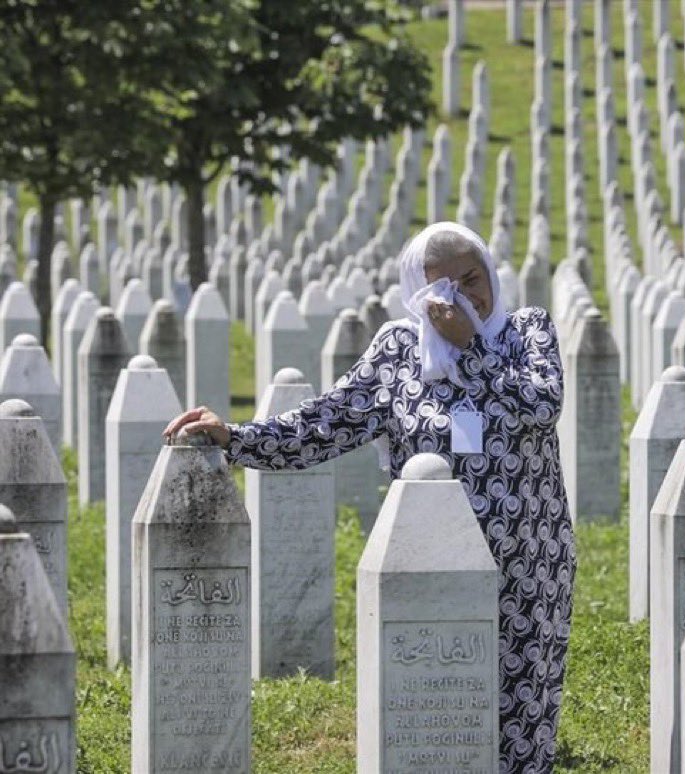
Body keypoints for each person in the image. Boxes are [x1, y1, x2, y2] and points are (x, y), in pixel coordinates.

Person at [164, 221, 577, 773]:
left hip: (529, 566)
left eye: (472, 279)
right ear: (417, 293)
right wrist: (236, 437)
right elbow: (325, 423)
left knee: (520, 730)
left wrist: (472, 348)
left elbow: (543, 405)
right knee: (437, 725)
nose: (464, 298)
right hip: (429, 568)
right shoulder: (398, 352)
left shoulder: (526, 332)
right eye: (443, 289)